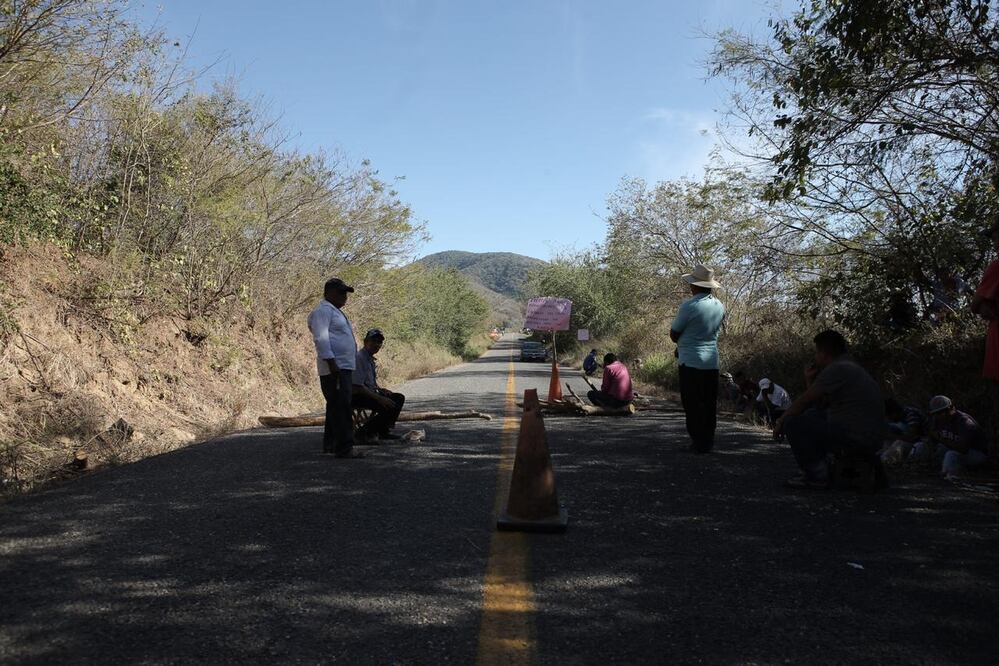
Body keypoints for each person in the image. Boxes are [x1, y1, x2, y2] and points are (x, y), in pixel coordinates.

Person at [774, 330, 886, 489]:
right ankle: (825, 469)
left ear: (824, 353)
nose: (815, 357)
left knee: (793, 423)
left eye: (816, 352)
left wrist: (781, 420)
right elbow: (819, 404)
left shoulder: (838, 368)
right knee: (812, 414)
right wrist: (809, 379)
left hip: (858, 436)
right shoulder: (851, 366)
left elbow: (804, 401)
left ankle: (816, 475)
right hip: (870, 437)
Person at [670, 264, 725, 453]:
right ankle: (708, 440)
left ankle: (697, 441)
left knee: (692, 403)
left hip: (690, 361)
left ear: (695, 286)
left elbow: (674, 333)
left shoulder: (689, 305)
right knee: (709, 403)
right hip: (711, 362)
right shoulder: (719, 306)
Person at [307, 277, 364, 459]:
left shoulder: (334, 311)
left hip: (342, 367)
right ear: (329, 292)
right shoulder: (323, 311)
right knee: (342, 407)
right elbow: (321, 338)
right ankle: (344, 448)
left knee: (335, 406)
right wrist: (332, 363)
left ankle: (331, 444)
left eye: (345, 293)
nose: (345, 296)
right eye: (341, 292)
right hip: (335, 368)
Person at [911, 396, 989, 480]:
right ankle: (912, 471)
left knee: (951, 455)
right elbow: (932, 439)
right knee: (921, 446)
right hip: (952, 448)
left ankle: (950, 478)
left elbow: (963, 449)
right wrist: (929, 441)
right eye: (937, 413)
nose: (942, 414)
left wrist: (941, 439)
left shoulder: (964, 422)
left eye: (944, 411)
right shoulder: (937, 420)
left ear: (952, 408)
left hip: (976, 453)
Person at [971, 217, 999, 448]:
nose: (993, 241)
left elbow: (976, 303)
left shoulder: (997, 267)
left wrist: (983, 305)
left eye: (994, 235)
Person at [352, 328, 406, 443]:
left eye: (379, 342)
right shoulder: (359, 358)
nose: (377, 344)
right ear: (365, 341)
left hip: (367, 393)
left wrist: (380, 390)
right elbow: (357, 386)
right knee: (388, 405)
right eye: (374, 341)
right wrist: (379, 398)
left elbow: (370, 383)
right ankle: (363, 433)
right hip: (357, 396)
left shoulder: (370, 359)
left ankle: (382, 431)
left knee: (398, 398)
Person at [879, 398, 927, 466]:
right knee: (888, 439)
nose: (889, 418)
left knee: (898, 443)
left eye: (889, 416)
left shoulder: (911, 414)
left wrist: (893, 437)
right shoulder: (900, 419)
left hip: (921, 444)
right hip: (910, 442)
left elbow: (912, 437)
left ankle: (885, 460)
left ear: (894, 413)